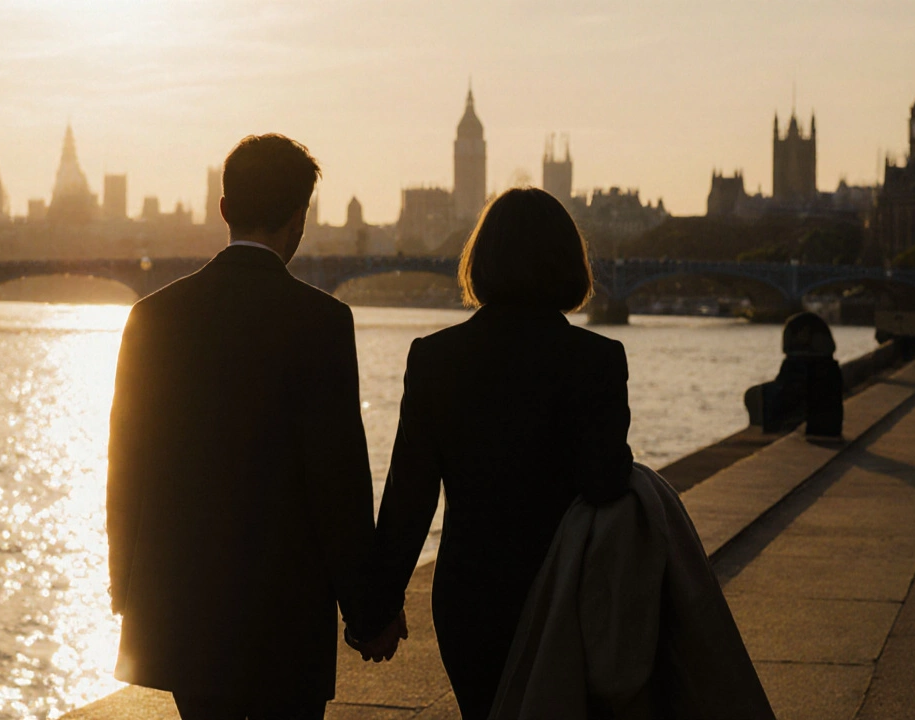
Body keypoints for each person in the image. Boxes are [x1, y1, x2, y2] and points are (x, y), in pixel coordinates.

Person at [106, 134, 403, 720]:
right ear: (300, 216)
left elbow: (127, 466)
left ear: (223, 209)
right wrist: (367, 614)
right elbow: (339, 482)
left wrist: (125, 587)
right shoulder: (322, 322)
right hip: (286, 617)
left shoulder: (152, 317)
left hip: (185, 610)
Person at [363, 188, 634, 719]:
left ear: (479, 261)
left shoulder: (435, 358)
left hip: (471, 592)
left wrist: (378, 607)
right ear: (568, 263)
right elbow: (605, 481)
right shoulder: (597, 360)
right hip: (567, 588)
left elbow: (409, 497)